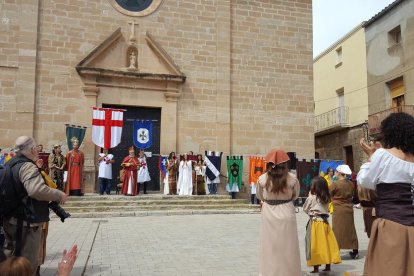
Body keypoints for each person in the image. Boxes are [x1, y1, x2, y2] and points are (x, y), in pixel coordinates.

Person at [357, 112, 414, 276]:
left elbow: (364, 180)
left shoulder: (383, 155)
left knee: (388, 269)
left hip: (390, 225)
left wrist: (370, 158)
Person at [2, 136, 68, 275]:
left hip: (10, 220)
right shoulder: (27, 166)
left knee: (10, 264)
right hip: (27, 224)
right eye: (36, 148)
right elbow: (36, 190)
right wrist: (58, 194)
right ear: (32, 149)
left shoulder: (9, 164)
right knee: (27, 265)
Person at [256, 149, 301, 276]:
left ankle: (270, 272)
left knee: (270, 245)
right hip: (287, 210)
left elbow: (260, 196)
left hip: (269, 212)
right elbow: (295, 195)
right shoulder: (292, 179)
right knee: (288, 245)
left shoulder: (262, 179)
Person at [303, 176, 341, 273]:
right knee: (326, 243)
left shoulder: (311, 198)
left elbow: (305, 209)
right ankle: (328, 265)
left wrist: (309, 198)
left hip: (315, 224)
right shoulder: (327, 198)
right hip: (325, 223)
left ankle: (316, 267)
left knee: (315, 245)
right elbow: (327, 209)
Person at [329, 164, 359, 259]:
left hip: (338, 209)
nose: (335, 173)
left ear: (339, 173)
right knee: (351, 230)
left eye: (336, 172)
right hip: (349, 208)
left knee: (337, 230)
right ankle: (355, 250)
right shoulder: (350, 184)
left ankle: (336, 251)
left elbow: (328, 193)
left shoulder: (336, 184)